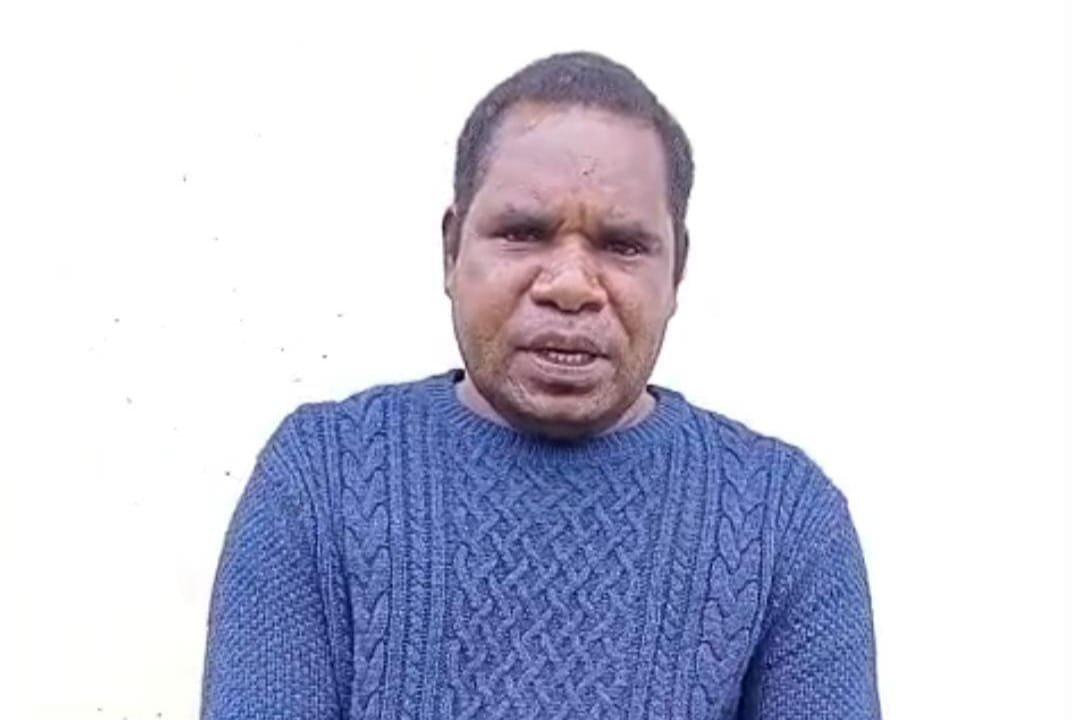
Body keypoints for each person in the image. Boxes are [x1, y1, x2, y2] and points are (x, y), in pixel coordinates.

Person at [200, 51, 881, 720]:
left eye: (621, 245)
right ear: (451, 249)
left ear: (676, 270)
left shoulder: (783, 520)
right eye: (523, 233)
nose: (570, 285)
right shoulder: (322, 478)